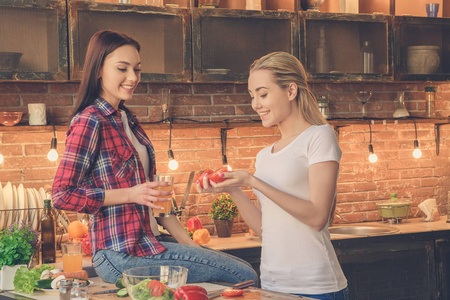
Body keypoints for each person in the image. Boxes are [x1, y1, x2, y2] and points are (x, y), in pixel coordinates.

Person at [52, 30, 258, 285]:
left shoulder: (129, 121)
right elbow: (62, 194)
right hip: (120, 254)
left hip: (151, 243)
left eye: (136, 69)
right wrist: (131, 193)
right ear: (98, 70)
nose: (132, 77)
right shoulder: (89, 121)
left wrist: (191, 246)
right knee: (244, 275)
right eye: (122, 68)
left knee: (243, 269)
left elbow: (158, 203)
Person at [197, 52, 348, 300]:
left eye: (263, 94)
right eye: (252, 96)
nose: (256, 104)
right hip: (271, 285)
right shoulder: (264, 155)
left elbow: (318, 217)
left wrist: (253, 181)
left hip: (316, 287)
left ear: (290, 91)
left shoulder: (319, 136)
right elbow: (266, 230)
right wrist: (234, 189)